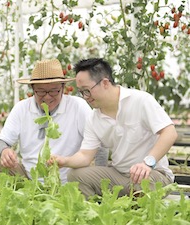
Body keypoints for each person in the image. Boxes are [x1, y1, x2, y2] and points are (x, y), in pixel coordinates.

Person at [49, 58, 178, 198]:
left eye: (87, 91)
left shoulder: (140, 100)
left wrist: (147, 163)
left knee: (144, 182)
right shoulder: (94, 118)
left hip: (153, 174)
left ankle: (132, 212)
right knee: (76, 175)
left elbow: (169, 133)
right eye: (81, 92)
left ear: (105, 83)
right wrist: (64, 161)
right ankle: (99, 215)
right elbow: (85, 156)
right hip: (120, 175)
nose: (85, 97)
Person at [0, 59, 109, 184]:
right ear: (33, 89)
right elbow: (2, 142)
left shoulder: (77, 106)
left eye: (54, 91)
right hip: (28, 177)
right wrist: (4, 151)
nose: (48, 97)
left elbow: (100, 143)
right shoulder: (22, 108)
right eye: (41, 92)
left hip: (70, 178)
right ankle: (26, 192)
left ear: (63, 88)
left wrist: (98, 177)